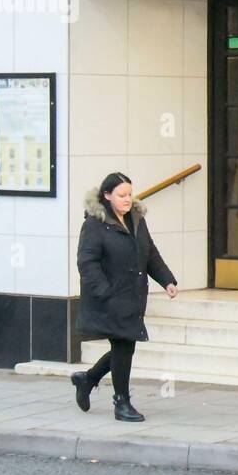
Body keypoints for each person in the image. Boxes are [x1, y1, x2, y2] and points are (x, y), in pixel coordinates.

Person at [71, 172, 177, 422]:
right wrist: (104, 290)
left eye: (129, 194)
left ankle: (87, 379)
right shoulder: (95, 224)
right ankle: (121, 403)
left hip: (133, 294)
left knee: (125, 346)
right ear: (107, 196)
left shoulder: (136, 219)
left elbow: (150, 253)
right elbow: (87, 262)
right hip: (110, 297)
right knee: (124, 345)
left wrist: (167, 280)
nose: (127, 199)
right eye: (121, 195)